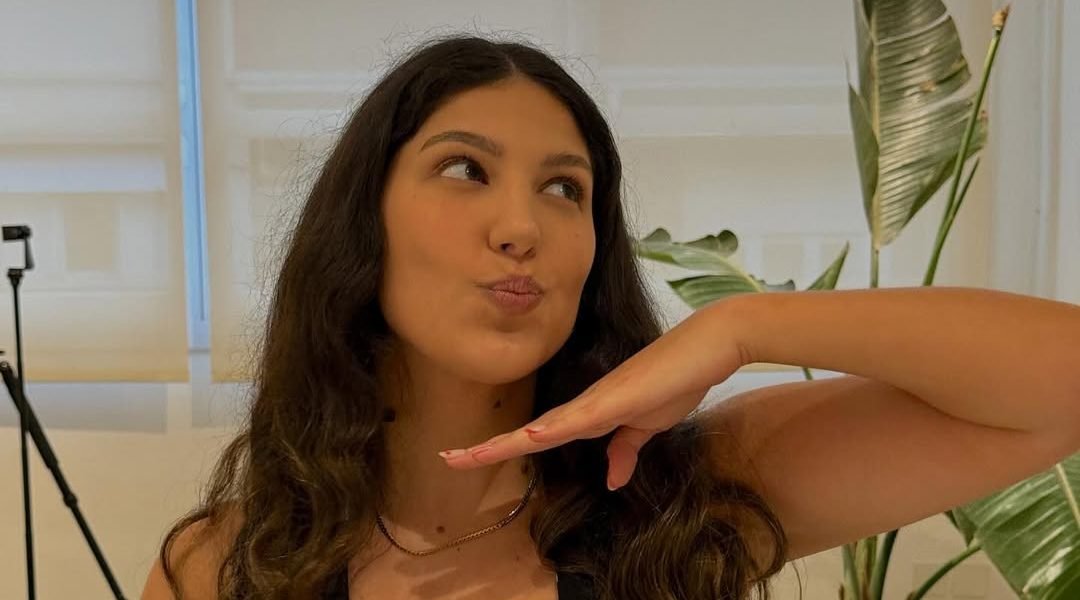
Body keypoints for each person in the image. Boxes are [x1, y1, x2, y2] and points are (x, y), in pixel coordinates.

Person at [140, 34, 1080, 600]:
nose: (521, 227)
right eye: (465, 168)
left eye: (565, 189)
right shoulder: (229, 564)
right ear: (363, 221)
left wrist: (741, 328)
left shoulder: (682, 504)